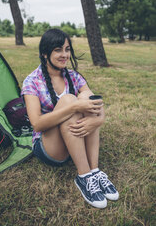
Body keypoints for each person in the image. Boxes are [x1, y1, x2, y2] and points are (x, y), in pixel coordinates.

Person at [21, 28, 119, 208]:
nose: (64, 54)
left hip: (74, 141)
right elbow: (37, 124)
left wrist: (98, 120)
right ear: (45, 53)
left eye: (67, 49)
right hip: (49, 148)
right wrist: (73, 106)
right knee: (70, 100)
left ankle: (94, 171)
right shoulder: (32, 81)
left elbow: (96, 102)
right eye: (58, 50)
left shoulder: (73, 76)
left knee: (85, 98)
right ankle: (83, 176)